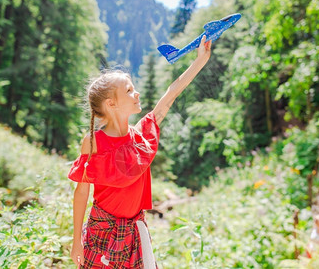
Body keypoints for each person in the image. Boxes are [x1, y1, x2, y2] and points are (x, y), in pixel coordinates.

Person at [68, 35, 212, 268]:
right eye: (129, 90)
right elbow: (81, 193)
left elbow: (170, 94)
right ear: (111, 104)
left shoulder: (142, 135)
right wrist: (76, 241)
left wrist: (199, 61)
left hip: (135, 232)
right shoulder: (93, 142)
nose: (137, 94)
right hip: (101, 232)